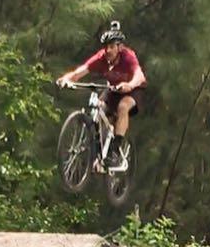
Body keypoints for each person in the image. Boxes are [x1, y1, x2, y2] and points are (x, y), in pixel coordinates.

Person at [56, 21, 147, 169]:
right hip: (113, 89)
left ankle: (115, 150)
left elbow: (140, 76)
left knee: (123, 107)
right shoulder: (101, 58)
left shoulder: (128, 56)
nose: (108, 51)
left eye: (111, 47)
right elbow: (80, 71)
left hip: (133, 89)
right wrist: (66, 78)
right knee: (100, 111)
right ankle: (101, 153)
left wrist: (129, 85)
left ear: (120, 47)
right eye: (106, 47)